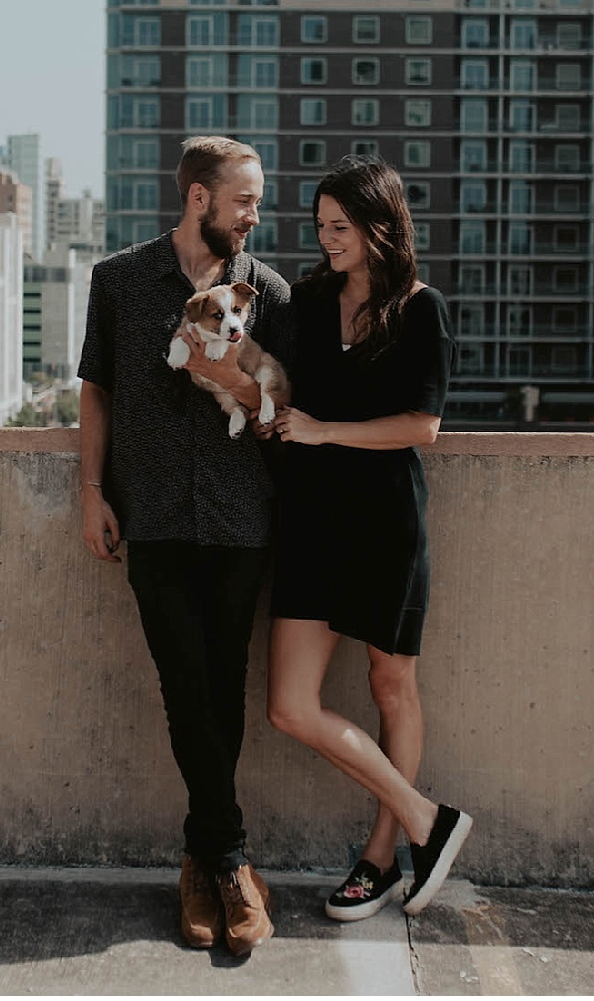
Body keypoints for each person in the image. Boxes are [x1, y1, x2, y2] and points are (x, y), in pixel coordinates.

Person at [76, 135, 294, 956]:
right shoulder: (121, 281)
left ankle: (203, 863)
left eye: (259, 202)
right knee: (183, 686)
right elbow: (95, 390)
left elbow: (281, 417)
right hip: (155, 517)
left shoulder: (265, 290)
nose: (255, 214)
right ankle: (229, 860)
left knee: (222, 690)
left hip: (242, 521)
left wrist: (235, 373)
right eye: (244, 200)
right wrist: (93, 492)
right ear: (199, 198)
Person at [260, 154, 472, 921]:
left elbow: (423, 426)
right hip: (313, 523)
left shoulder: (421, 309)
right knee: (290, 705)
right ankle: (428, 820)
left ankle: (381, 859)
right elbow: (269, 377)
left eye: (341, 227)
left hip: (385, 524)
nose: (327, 241)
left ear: (381, 228)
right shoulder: (308, 302)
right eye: (321, 228)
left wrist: (323, 431)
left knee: (393, 688)